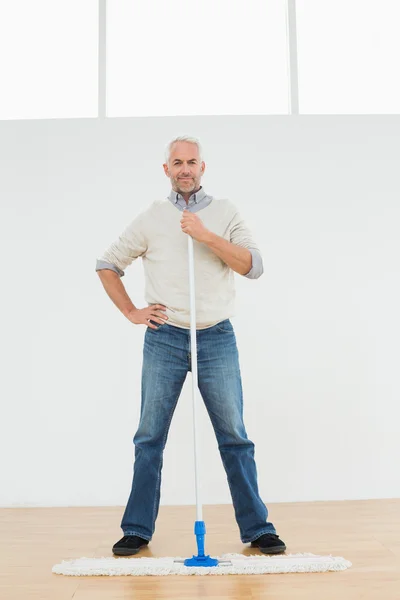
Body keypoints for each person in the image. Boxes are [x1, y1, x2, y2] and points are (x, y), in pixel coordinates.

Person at [96, 135, 286, 556]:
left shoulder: (225, 212)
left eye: (192, 162)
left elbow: (253, 266)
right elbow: (107, 265)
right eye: (177, 162)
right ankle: (137, 529)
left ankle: (258, 528)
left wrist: (206, 236)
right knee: (149, 437)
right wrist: (132, 312)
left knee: (234, 436)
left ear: (203, 167)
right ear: (166, 169)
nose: (185, 168)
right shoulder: (151, 217)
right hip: (164, 337)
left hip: (216, 336)